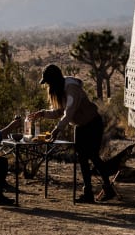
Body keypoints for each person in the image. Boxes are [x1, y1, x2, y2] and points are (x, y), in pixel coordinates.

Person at [30, 64, 119, 203]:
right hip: (80, 126)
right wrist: (42, 113)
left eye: (48, 82)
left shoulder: (71, 89)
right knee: (82, 159)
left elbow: (69, 112)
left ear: (54, 80)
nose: (48, 86)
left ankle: (108, 189)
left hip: (92, 124)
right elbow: (59, 111)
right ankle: (88, 193)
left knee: (93, 156)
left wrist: (57, 129)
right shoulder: (61, 90)